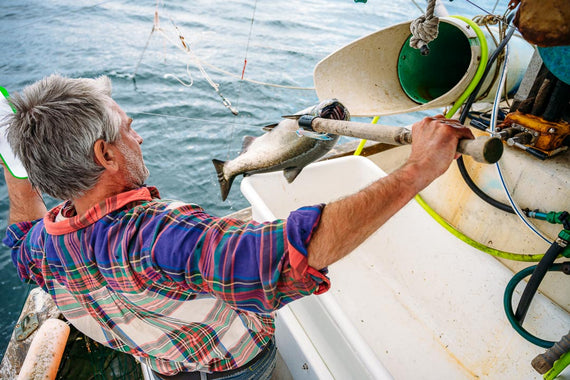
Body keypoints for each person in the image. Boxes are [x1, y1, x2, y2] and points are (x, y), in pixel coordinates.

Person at [2, 74, 473, 379]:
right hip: (234, 367)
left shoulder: (44, 246)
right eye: (128, 128)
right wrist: (418, 169)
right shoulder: (159, 236)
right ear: (105, 155)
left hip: (163, 365)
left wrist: (13, 160)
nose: (139, 137)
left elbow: (20, 232)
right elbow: (298, 250)